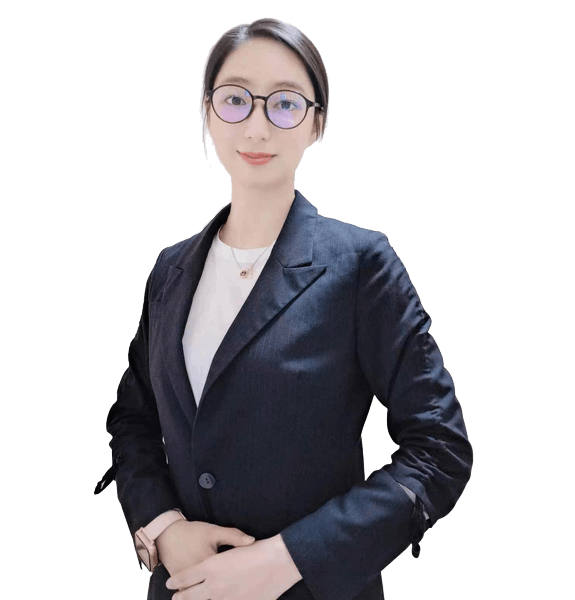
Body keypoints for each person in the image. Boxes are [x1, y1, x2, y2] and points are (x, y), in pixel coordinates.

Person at [94, 18, 473, 600]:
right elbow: (133, 421)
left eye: (286, 104)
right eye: (236, 99)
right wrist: (164, 528)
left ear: (318, 123)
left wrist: (289, 558)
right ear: (207, 112)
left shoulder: (360, 264)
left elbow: (439, 450)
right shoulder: (170, 270)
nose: (257, 126)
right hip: (184, 590)